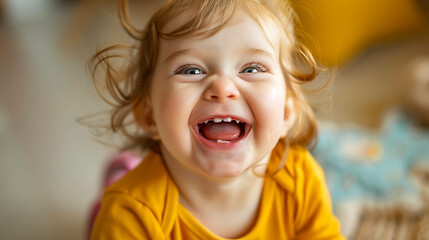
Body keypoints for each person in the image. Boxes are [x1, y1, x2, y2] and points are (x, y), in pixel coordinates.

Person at [90, 0, 345, 239]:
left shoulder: (299, 180)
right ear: (149, 116)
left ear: (287, 112)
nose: (223, 87)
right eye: (191, 70)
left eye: (251, 69)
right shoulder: (129, 216)